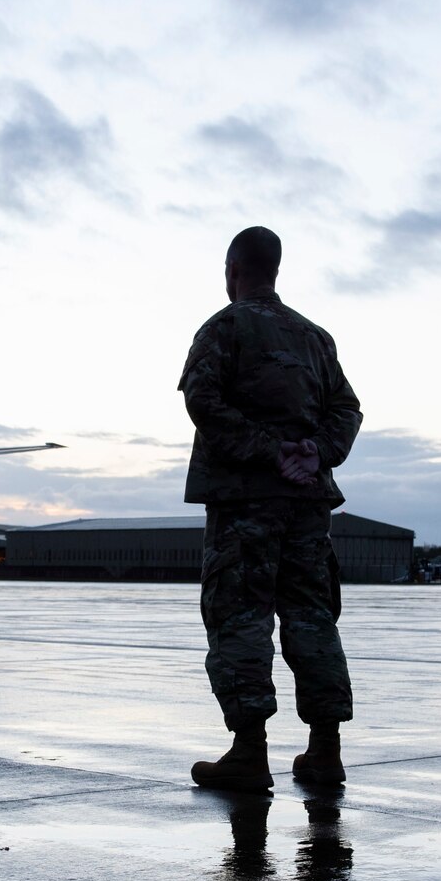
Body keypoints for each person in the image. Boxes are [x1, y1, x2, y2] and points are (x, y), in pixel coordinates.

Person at [180, 226, 362, 791]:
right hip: (307, 506)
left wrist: (269, 451)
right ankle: (325, 750)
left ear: (233, 269)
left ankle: (249, 751)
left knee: (240, 617)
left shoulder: (224, 327)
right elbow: (347, 409)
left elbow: (202, 400)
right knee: (312, 617)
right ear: (274, 272)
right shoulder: (315, 337)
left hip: (246, 506)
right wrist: (313, 453)